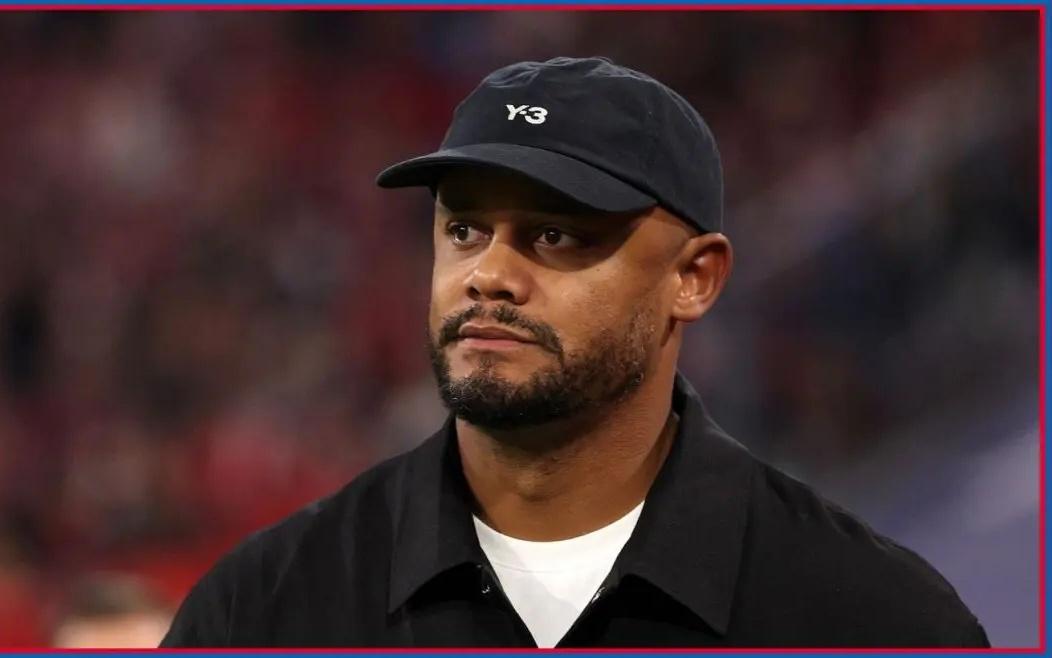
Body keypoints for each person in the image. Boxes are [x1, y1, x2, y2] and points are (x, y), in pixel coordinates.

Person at [161, 56, 988, 648]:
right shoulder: (262, 611)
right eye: (464, 229)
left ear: (694, 278)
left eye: (555, 235)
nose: (488, 275)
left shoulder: (871, 619)